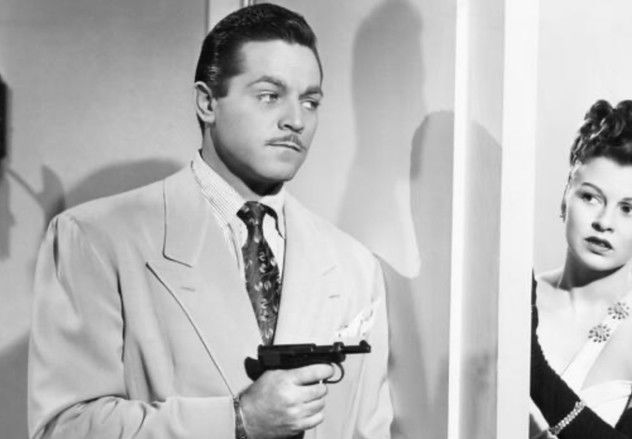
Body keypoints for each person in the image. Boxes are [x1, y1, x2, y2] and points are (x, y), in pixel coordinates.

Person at [27, 4, 392, 438]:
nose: (296, 120)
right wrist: (238, 419)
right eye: (269, 96)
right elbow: (64, 428)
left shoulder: (355, 267)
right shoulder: (94, 239)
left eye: (310, 101)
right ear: (207, 102)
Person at [529, 99, 632, 438]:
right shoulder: (517, 297)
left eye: (629, 209)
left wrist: (533, 368)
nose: (604, 221)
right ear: (565, 198)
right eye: (590, 197)